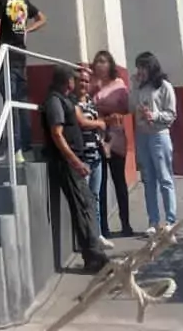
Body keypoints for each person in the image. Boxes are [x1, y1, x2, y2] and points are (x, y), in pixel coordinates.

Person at [41, 68, 107, 274]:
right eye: (72, 79)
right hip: (66, 163)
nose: (75, 82)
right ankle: (93, 257)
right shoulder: (54, 101)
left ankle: (94, 253)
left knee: (86, 204)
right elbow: (57, 134)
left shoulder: (64, 99)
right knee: (81, 206)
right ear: (66, 81)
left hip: (74, 160)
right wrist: (75, 162)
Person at [0, 0, 45, 161]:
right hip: (20, 55)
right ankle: (26, 147)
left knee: (10, 101)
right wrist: (27, 30)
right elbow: (42, 18)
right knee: (21, 101)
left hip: (5, 56)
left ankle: (15, 150)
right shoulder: (22, 0)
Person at [131, 51, 177, 234]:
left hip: (159, 135)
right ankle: (153, 221)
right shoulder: (139, 87)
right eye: (138, 67)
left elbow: (172, 114)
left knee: (164, 177)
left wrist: (155, 115)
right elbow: (130, 105)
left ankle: (171, 221)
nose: (139, 71)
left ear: (151, 67)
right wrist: (134, 86)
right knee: (148, 179)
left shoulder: (164, 86)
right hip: (142, 135)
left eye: (142, 67)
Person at [92, 48, 133, 238]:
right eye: (97, 61)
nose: (100, 65)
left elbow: (126, 108)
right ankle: (103, 227)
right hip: (98, 136)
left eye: (104, 61)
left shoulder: (119, 85)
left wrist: (103, 107)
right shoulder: (93, 85)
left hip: (115, 136)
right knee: (100, 183)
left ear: (110, 64)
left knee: (119, 182)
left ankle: (126, 224)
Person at [73, 64, 113, 248]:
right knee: (84, 200)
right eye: (81, 80)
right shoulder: (73, 102)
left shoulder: (90, 103)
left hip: (96, 156)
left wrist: (103, 141)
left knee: (95, 197)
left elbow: (99, 128)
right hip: (82, 159)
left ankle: (96, 235)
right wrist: (99, 123)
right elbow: (82, 123)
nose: (84, 84)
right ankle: (87, 239)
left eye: (86, 81)